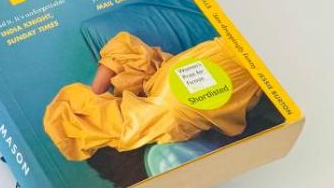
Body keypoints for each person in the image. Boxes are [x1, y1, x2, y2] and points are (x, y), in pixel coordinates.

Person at [43, 29, 262, 163]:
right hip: (231, 50)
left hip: (242, 61)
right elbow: (122, 51)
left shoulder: (155, 112)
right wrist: (99, 86)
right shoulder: (149, 90)